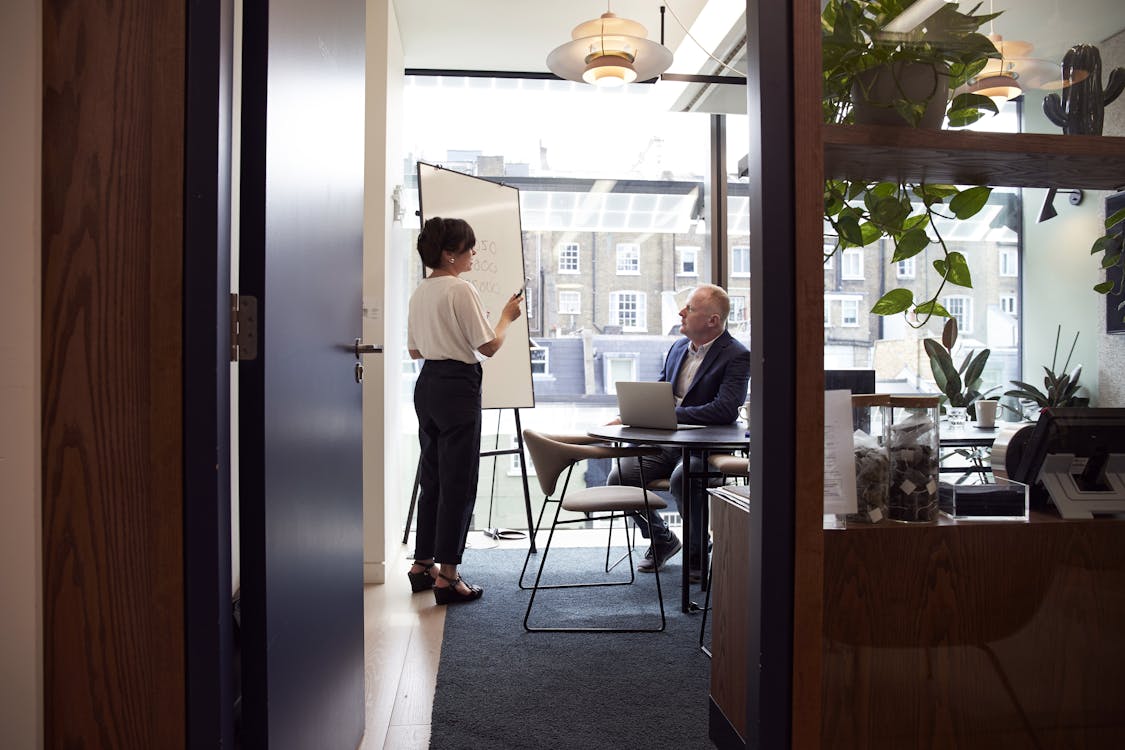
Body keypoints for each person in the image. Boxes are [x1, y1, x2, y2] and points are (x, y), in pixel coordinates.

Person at [406, 217, 523, 604]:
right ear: (449, 254)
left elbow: (415, 351)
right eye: (469, 248)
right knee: (458, 481)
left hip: (428, 385)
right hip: (458, 386)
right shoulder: (461, 289)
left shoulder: (421, 292)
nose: (474, 253)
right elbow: (488, 346)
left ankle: (423, 564)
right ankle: (449, 577)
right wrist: (506, 316)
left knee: (434, 477)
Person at [606, 284, 749, 578]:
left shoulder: (736, 355)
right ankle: (662, 539)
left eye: (691, 309)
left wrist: (670, 414)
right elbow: (660, 393)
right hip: (668, 443)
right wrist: (631, 413)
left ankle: (697, 552)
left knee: (683, 478)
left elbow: (724, 409)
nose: (681, 313)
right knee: (620, 477)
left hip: (706, 448)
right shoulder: (676, 348)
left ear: (713, 321)